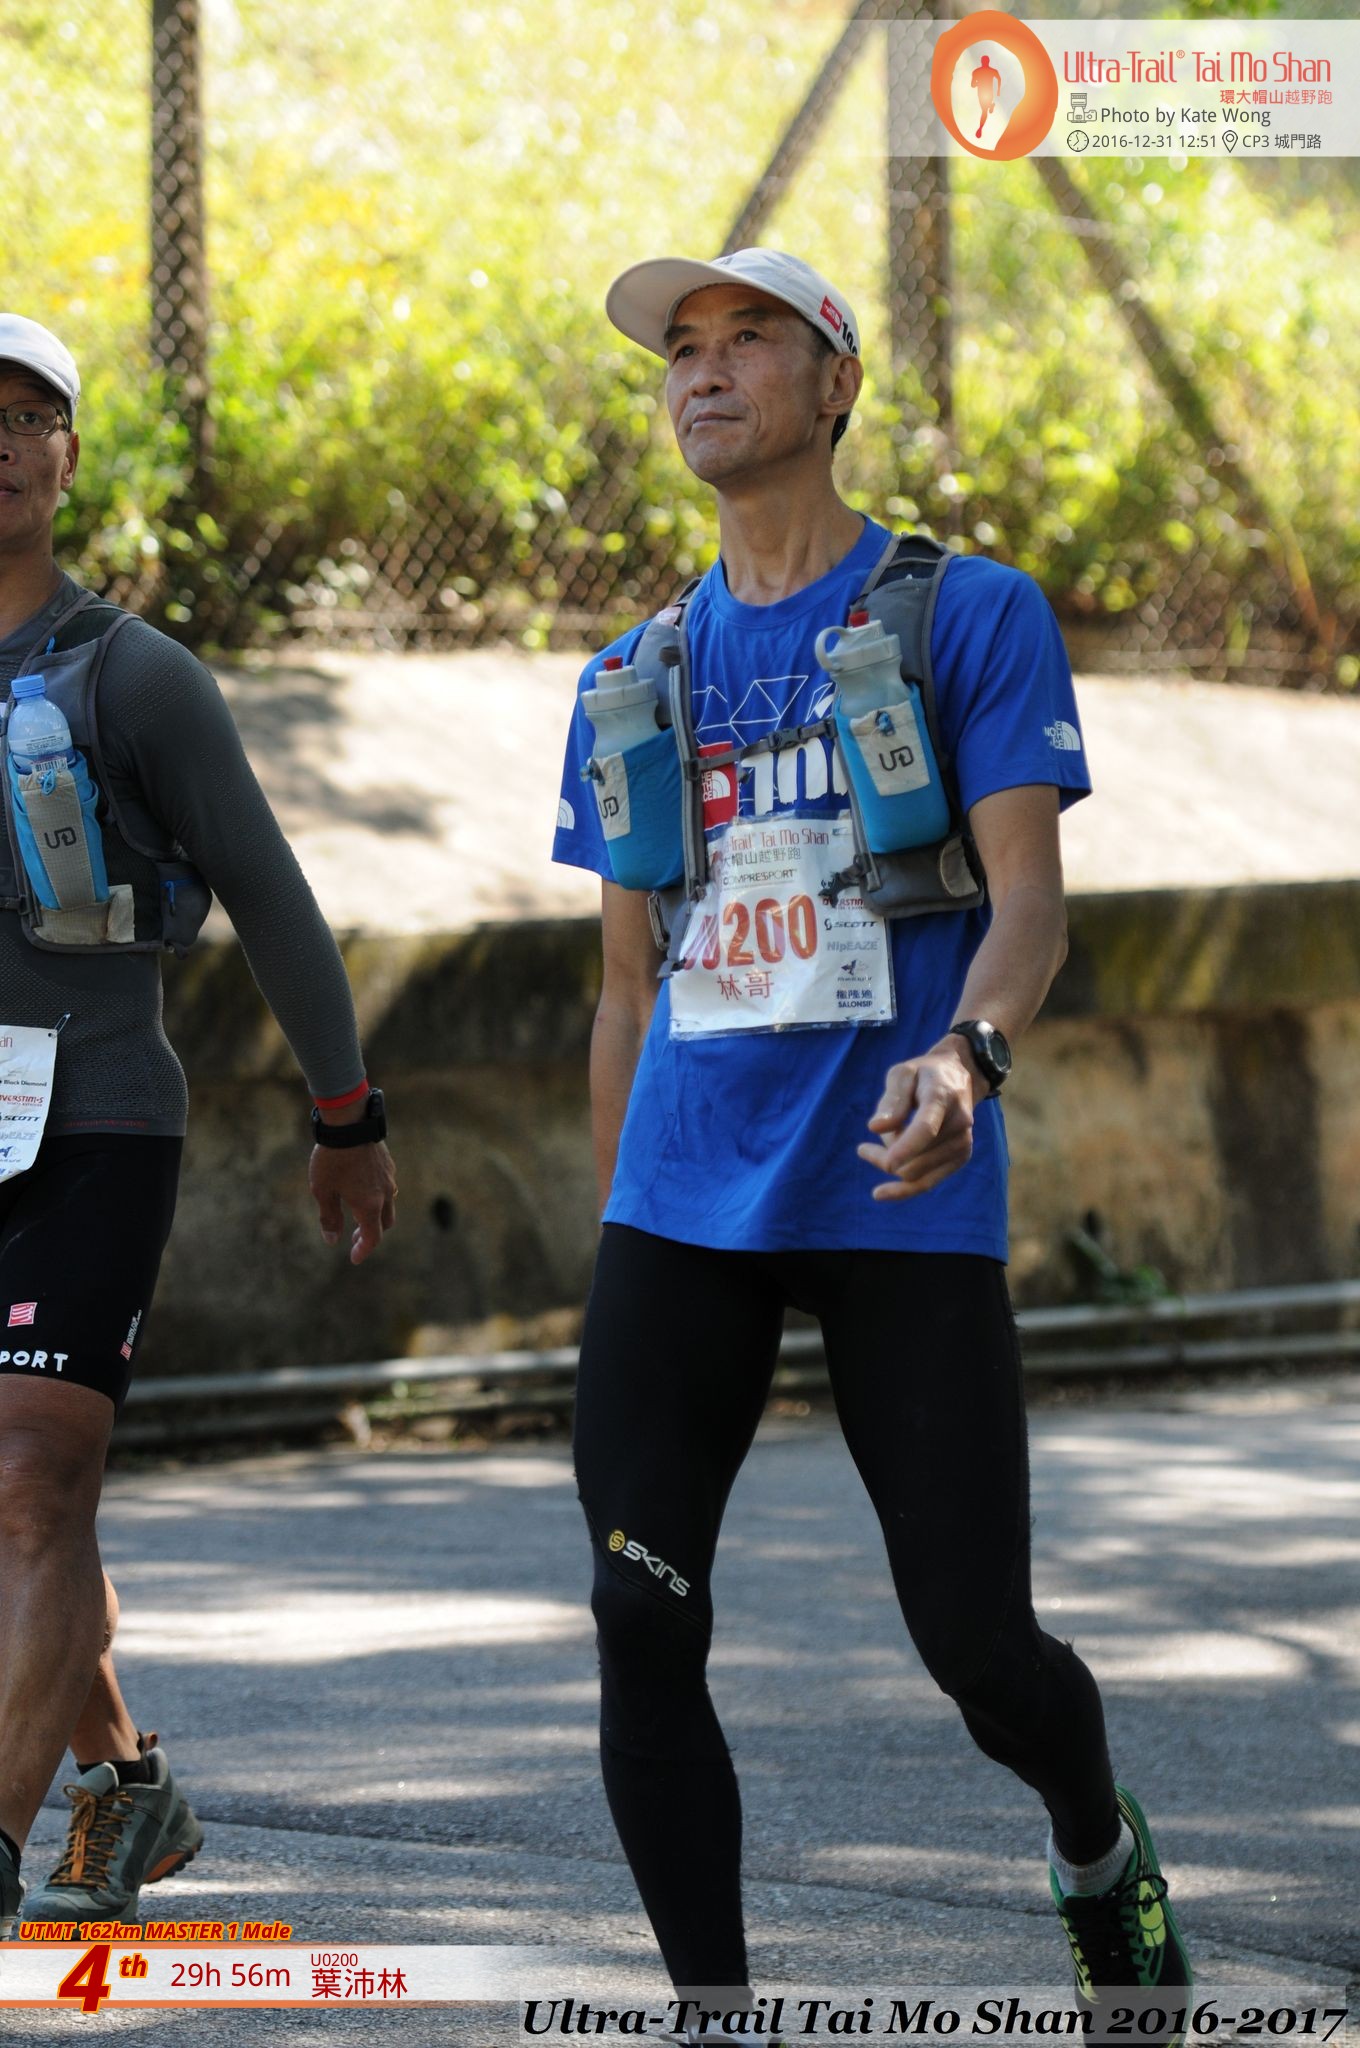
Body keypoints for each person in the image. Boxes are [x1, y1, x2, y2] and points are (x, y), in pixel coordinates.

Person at [551, 250, 1191, 2044]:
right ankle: (716, 2012)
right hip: (683, 1205)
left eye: (749, 337)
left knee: (979, 1651)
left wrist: (968, 1056)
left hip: (901, 1184)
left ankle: (1096, 1847)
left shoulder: (968, 614)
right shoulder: (633, 674)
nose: (704, 371)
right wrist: (620, 1230)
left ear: (836, 383)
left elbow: (1029, 900)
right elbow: (625, 984)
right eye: (682, 349)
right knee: (639, 1620)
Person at [0, 315, 397, 1929]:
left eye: (29, 414)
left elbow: (271, 897)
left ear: (69, 456)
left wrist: (347, 1109)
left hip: (92, 1119)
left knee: (33, 1478)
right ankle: (125, 1781)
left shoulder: (135, 676)